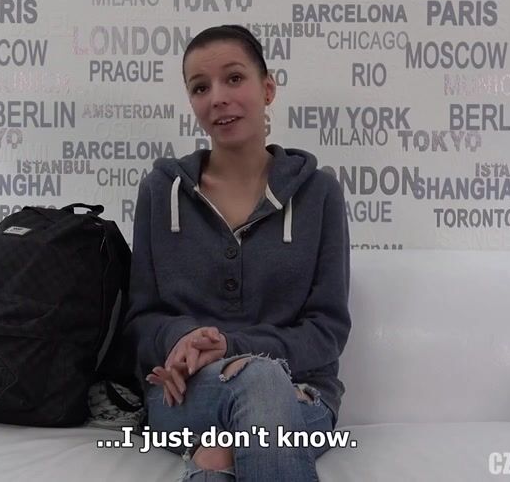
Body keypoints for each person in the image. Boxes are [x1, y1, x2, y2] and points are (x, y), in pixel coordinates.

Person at [122, 24, 351, 481]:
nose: (218, 98)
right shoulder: (160, 192)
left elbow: (326, 332)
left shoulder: (320, 193)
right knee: (258, 387)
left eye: (234, 78)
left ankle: (214, 461)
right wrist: (181, 340)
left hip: (301, 393)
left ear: (268, 89)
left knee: (227, 443)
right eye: (200, 87)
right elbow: (141, 321)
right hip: (188, 394)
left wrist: (235, 348)